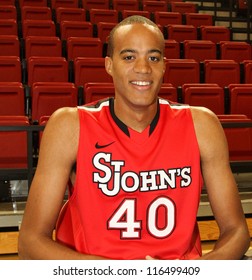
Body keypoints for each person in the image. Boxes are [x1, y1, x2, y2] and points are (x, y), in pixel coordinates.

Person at [18, 15, 250, 260]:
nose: (143, 68)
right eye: (129, 57)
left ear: (163, 66)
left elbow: (237, 231)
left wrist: (196, 273)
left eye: (153, 58)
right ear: (109, 65)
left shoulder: (202, 125)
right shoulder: (69, 126)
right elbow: (30, 242)